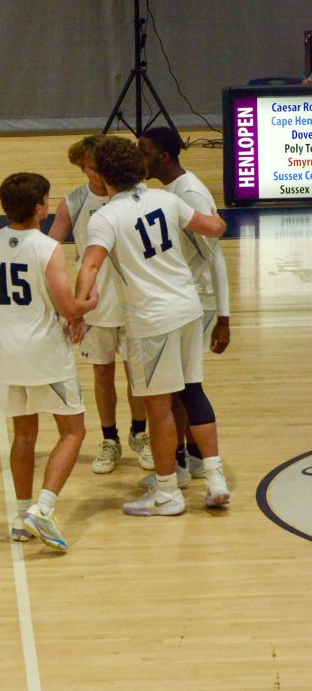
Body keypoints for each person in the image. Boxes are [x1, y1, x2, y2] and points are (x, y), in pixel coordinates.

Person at [75, 136, 230, 516]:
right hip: (188, 309)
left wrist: (78, 308)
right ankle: (215, 480)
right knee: (193, 390)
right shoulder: (167, 199)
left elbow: (90, 265)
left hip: (152, 318)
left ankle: (167, 494)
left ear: (105, 176)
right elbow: (216, 227)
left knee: (159, 405)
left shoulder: (106, 217)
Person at [0, 172, 98, 551]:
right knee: (73, 431)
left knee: (24, 435)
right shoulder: (46, 247)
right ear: (40, 207)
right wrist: (89, 305)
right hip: (44, 354)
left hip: (5, 354)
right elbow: (68, 306)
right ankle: (43, 507)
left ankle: (21, 516)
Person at [49, 135, 153, 474]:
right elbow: (49, 248)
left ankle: (141, 433)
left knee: (137, 374)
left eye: (99, 167)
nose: (95, 174)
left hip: (134, 298)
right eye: (90, 168)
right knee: (102, 371)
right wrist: (66, 300)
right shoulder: (74, 202)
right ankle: (110, 439)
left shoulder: (132, 198)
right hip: (95, 303)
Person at [138, 126, 230, 483]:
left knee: (181, 387)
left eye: (144, 152)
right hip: (186, 298)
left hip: (198, 301)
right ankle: (188, 459)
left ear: (163, 157)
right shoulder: (173, 189)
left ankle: (183, 465)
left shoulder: (188, 191)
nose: (139, 159)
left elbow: (216, 257)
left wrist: (223, 316)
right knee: (178, 388)